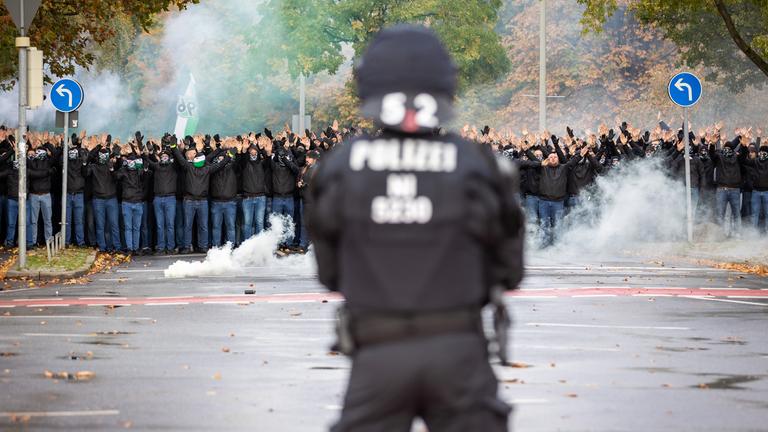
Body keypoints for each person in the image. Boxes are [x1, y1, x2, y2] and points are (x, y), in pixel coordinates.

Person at [308, 25, 524, 432]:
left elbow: (329, 274)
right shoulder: (479, 165)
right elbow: (510, 271)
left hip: (376, 354)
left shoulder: (339, 166)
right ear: (446, 85)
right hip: (460, 352)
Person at [170, 137, 232, 254]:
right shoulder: (188, 167)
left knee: (203, 225)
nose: (193, 156)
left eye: (195, 155)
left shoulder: (207, 168)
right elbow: (179, 158)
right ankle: (187, 246)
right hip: (189, 200)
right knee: (188, 225)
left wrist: (227, 155)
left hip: (202, 201)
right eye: (192, 154)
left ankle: (203, 246)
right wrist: (174, 148)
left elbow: (219, 164)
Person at [85, 140, 122, 253]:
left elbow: (120, 167)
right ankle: (102, 247)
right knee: (100, 226)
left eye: (106, 155)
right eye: (101, 155)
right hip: (98, 200)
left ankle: (116, 247)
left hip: (111, 199)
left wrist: (118, 156)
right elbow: (85, 171)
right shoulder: (93, 167)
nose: (103, 157)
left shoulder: (111, 165)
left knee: (114, 225)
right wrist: (98, 146)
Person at [147, 136, 179, 255]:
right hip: (158, 199)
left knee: (170, 224)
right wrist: (150, 152)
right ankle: (161, 247)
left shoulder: (173, 167)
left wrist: (172, 147)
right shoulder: (157, 167)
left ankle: (170, 247)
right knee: (160, 225)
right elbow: (149, 161)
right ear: (159, 159)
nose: (164, 158)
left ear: (169, 159)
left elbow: (178, 158)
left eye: (166, 157)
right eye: (162, 157)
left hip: (170, 199)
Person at [59, 133, 89, 246]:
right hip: (67, 194)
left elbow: (86, 174)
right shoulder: (65, 162)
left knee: (79, 220)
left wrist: (84, 163)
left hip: (79, 194)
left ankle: (80, 242)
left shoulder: (81, 161)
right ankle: (66, 241)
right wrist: (66, 146)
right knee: (66, 220)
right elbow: (60, 160)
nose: (72, 154)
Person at [240, 134, 271, 240]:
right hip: (247, 198)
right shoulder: (245, 164)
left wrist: (263, 149)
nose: (253, 153)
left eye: (255, 151)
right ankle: (247, 245)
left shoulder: (262, 163)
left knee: (259, 222)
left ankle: (260, 245)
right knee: (247, 223)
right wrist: (244, 148)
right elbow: (242, 158)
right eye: (251, 151)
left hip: (260, 197)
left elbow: (268, 159)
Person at [26, 140, 56, 248]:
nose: (38, 153)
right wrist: (46, 173)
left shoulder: (48, 161)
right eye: (37, 151)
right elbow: (31, 173)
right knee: (33, 221)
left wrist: (46, 143)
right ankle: (33, 242)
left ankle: (49, 241)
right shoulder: (32, 161)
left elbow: (55, 154)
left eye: (40, 151)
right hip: (34, 195)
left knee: (48, 220)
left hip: (46, 195)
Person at [296, 149, 318, 252]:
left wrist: (306, 184)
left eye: (309, 158)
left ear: (314, 159)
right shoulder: (305, 168)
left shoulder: (318, 169)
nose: (307, 159)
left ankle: (311, 244)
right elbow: (300, 179)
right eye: (306, 157)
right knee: (304, 223)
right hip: (304, 199)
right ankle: (303, 244)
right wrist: (300, 183)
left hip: (313, 201)